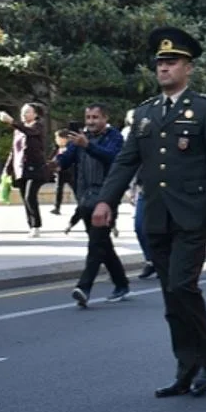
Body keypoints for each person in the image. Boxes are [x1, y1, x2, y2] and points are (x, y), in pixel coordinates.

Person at [93, 26, 206, 398]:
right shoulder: (144, 114)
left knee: (182, 286)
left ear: (188, 67)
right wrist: (105, 200)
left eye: (171, 62)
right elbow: (126, 162)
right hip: (156, 215)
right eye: (159, 63)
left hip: (193, 214)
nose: (163, 69)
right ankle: (185, 365)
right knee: (170, 296)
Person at [57, 104, 130, 306]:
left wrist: (88, 145)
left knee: (96, 244)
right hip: (85, 198)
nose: (90, 121)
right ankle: (121, 283)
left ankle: (84, 287)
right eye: (88, 117)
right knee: (102, 244)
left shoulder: (114, 137)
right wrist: (56, 161)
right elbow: (68, 159)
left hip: (106, 199)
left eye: (95, 117)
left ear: (105, 118)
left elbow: (113, 158)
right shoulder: (80, 138)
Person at [0, 102, 47, 237]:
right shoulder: (18, 130)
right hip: (20, 168)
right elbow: (13, 151)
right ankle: (30, 225)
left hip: (36, 167)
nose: (24, 114)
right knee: (24, 198)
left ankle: (36, 225)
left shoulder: (38, 126)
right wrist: (7, 169)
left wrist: (11, 121)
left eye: (27, 111)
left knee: (30, 196)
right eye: (22, 112)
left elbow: (30, 132)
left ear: (35, 114)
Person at [50, 129, 75, 215]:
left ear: (64, 138)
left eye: (57, 138)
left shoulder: (71, 146)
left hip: (70, 172)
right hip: (60, 172)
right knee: (58, 190)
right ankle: (57, 208)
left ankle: (85, 205)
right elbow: (54, 158)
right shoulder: (58, 147)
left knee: (76, 189)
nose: (56, 140)